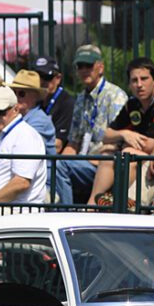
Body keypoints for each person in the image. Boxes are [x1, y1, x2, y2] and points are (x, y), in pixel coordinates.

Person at [88, 57, 154, 204]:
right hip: (138, 154)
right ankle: (92, 205)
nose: (139, 85)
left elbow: (150, 145)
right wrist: (124, 134)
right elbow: (106, 135)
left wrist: (121, 144)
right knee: (107, 155)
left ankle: (117, 205)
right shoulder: (132, 104)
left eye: (144, 79)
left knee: (127, 155)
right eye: (134, 80)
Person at [56, 44, 127, 203]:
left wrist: (64, 163)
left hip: (104, 165)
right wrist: (55, 161)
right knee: (51, 166)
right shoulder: (80, 99)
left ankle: (65, 212)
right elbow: (73, 143)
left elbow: (119, 141)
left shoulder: (115, 96)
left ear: (100, 67)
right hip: (82, 162)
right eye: (80, 66)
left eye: (88, 65)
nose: (84, 70)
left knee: (60, 167)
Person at [0, 86, 49, 212]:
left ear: (15, 109)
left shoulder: (25, 135)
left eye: (0, 111)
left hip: (18, 211)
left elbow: (22, 182)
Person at [5, 70, 59, 158]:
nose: (16, 97)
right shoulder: (17, 116)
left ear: (35, 96)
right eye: (14, 92)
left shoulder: (40, 120)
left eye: (21, 93)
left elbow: (22, 146)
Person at [30, 56, 73, 152]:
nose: (41, 82)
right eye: (37, 77)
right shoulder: (31, 100)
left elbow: (58, 145)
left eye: (46, 77)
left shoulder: (66, 103)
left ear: (58, 78)